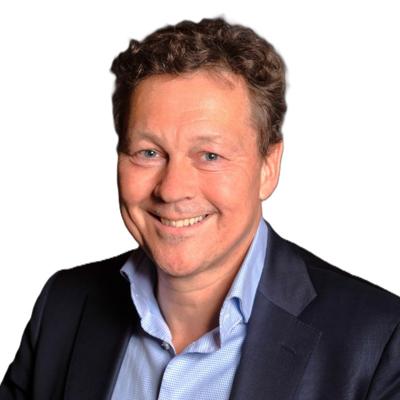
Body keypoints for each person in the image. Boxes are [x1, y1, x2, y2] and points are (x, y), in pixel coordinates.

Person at [1, 17, 399, 400]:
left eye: (209, 155)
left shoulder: (378, 342)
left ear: (268, 167)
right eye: (149, 152)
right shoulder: (64, 306)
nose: (172, 190)